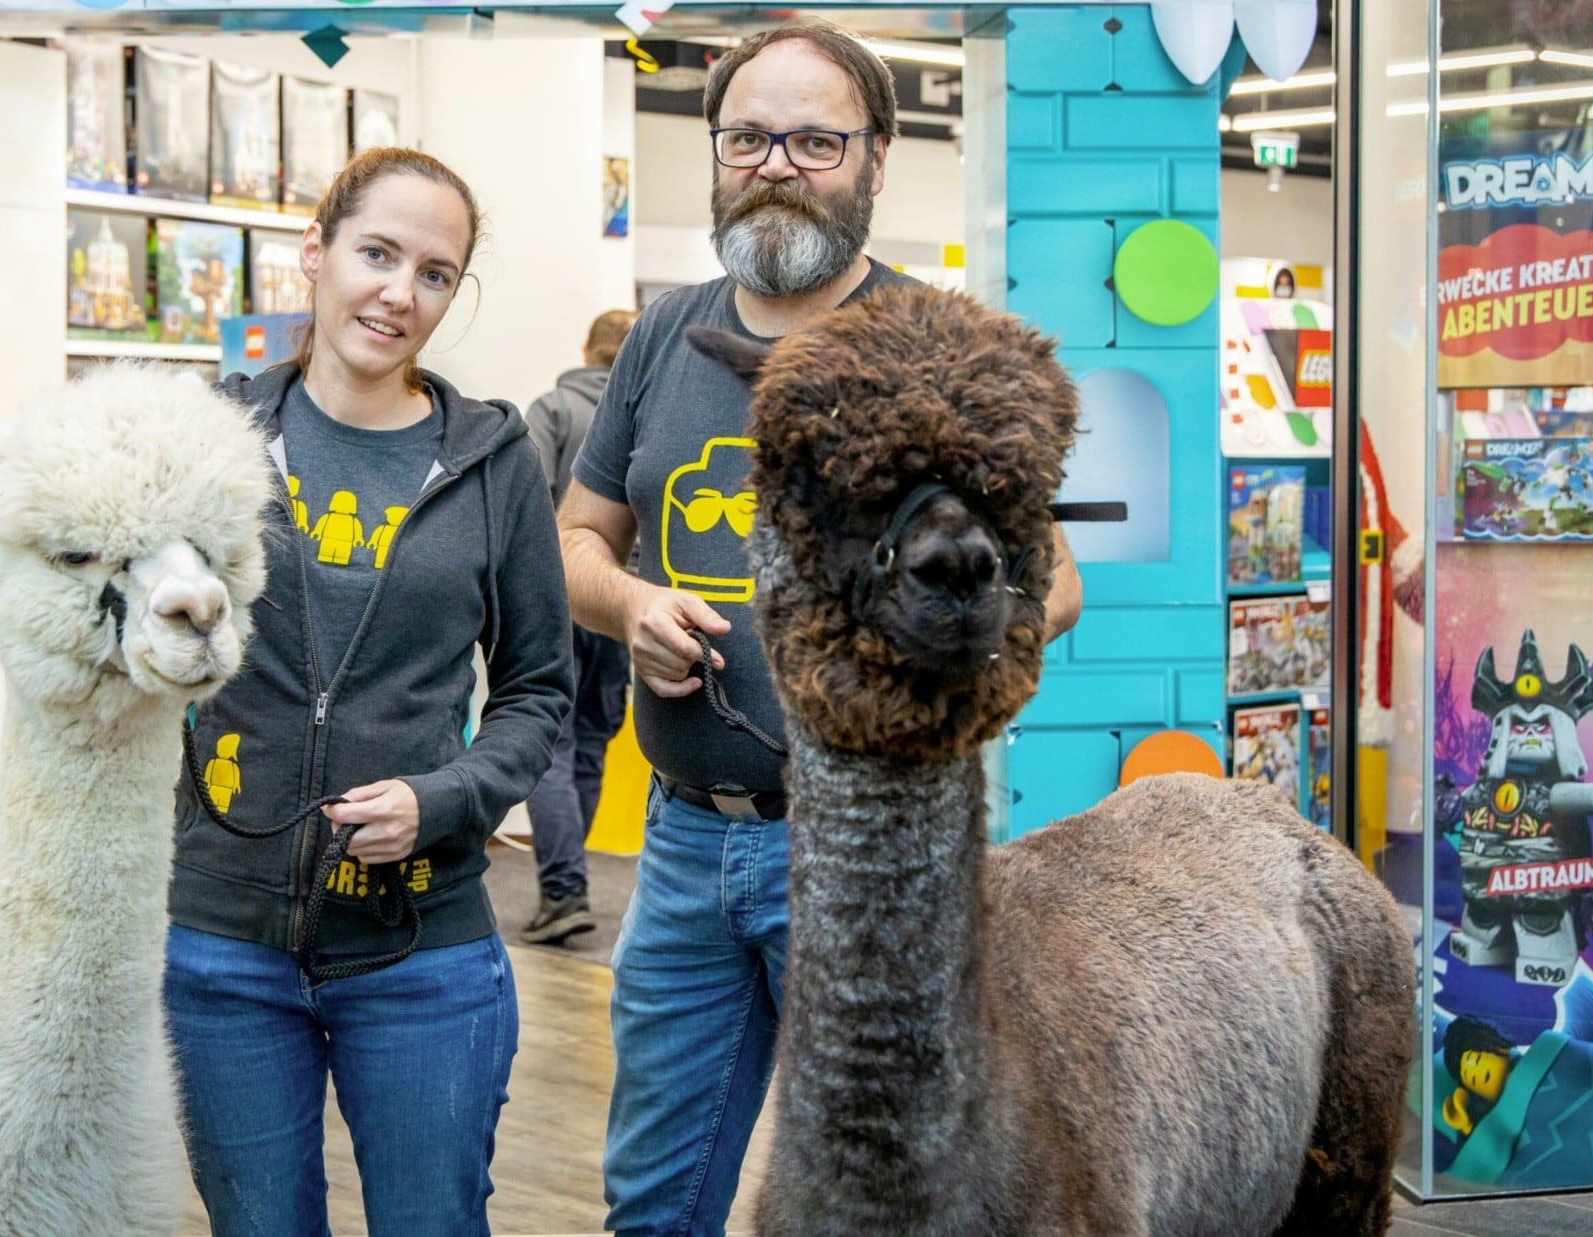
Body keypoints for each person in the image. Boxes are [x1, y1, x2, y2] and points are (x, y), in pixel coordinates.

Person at [557, 22, 1086, 1235]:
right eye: (748, 136)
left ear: (878, 157)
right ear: (715, 150)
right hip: (685, 846)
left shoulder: (941, 346)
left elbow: (1050, 586)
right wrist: (631, 604)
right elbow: (575, 543)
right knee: (654, 1198)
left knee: (890, 1201)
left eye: (814, 138)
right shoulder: (660, 336)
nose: (776, 164)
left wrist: (930, 648)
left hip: (871, 859)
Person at [165, 147, 572, 1236]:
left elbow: (540, 690)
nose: (399, 291)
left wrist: (445, 799)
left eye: (434, 272)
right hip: (217, 943)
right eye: (377, 253)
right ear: (316, 251)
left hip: (421, 952)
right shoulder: (207, 441)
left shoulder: (494, 464)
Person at [518, 308, 638, 946]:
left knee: (552, 747)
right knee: (590, 741)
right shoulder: (642, 414)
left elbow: (527, 503)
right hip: (619, 601)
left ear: (585, 347)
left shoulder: (553, 408)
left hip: (556, 601)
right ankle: (570, 882)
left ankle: (564, 890)